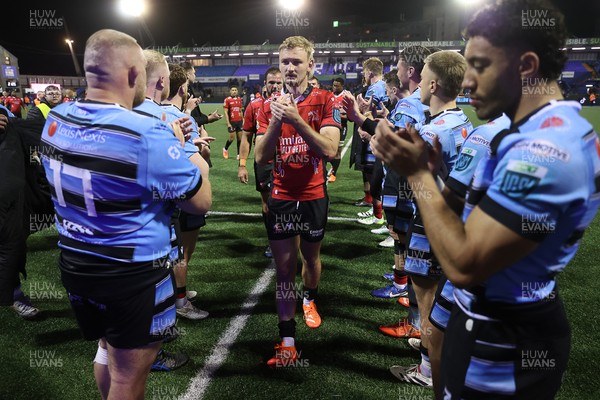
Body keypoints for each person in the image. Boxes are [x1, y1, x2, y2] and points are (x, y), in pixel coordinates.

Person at [371, 1, 599, 398]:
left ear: (525, 66)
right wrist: (436, 174)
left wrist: (418, 174)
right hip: (484, 318)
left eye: (479, 66)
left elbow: (464, 263)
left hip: (507, 340)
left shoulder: (547, 150)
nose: (467, 82)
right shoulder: (523, 133)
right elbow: (464, 222)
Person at [39, 29, 211, 399]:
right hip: (132, 274)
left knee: (105, 350)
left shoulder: (56, 118)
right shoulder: (146, 132)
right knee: (128, 379)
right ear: (135, 75)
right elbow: (199, 202)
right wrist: (181, 149)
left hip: (76, 263)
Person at [254, 35, 341, 367]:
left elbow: (330, 150)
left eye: (296, 62)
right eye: (285, 62)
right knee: (285, 269)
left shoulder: (326, 100)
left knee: (311, 260)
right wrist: (278, 118)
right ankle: (287, 340)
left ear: (311, 65)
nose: (290, 68)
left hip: (314, 196)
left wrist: (296, 119)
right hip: (281, 197)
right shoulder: (267, 104)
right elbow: (262, 157)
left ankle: (310, 298)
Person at [238, 66, 283, 258]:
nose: (275, 86)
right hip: (264, 162)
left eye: (278, 83)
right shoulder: (254, 106)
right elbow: (246, 137)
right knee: (267, 203)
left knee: (286, 201)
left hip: (287, 160)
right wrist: (242, 165)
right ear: (265, 84)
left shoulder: (291, 104)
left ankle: (289, 237)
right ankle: (272, 239)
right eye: (271, 82)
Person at [326, 77, 348, 182]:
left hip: (341, 127)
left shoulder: (346, 97)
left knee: (338, 151)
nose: (334, 87)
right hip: (328, 127)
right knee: (325, 149)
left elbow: (350, 116)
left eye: (337, 86)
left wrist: (337, 115)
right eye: (333, 85)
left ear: (342, 86)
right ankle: (324, 172)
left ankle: (334, 173)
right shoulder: (328, 96)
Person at [222, 87, 244, 160]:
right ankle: (225, 149)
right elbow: (225, 112)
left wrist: (243, 120)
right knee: (231, 138)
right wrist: (228, 123)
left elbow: (240, 110)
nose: (234, 91)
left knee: (240, 139)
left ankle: (238, 154)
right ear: (230, 91)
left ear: (237, 91)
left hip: (239, 121)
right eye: (232, 90)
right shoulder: (227, 100)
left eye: (235, 90)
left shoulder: (239, 99)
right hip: (232, 122)